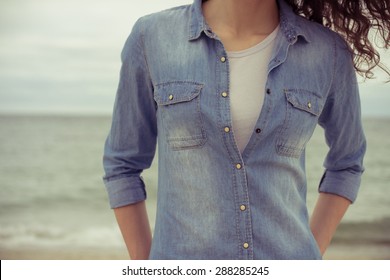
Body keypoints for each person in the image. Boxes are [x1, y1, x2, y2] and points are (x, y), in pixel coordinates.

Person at [103, 0, 389, 260]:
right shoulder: (152, 37)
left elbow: (347, 164)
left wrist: (309, 255)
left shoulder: (327, 52)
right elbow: (122, 166)